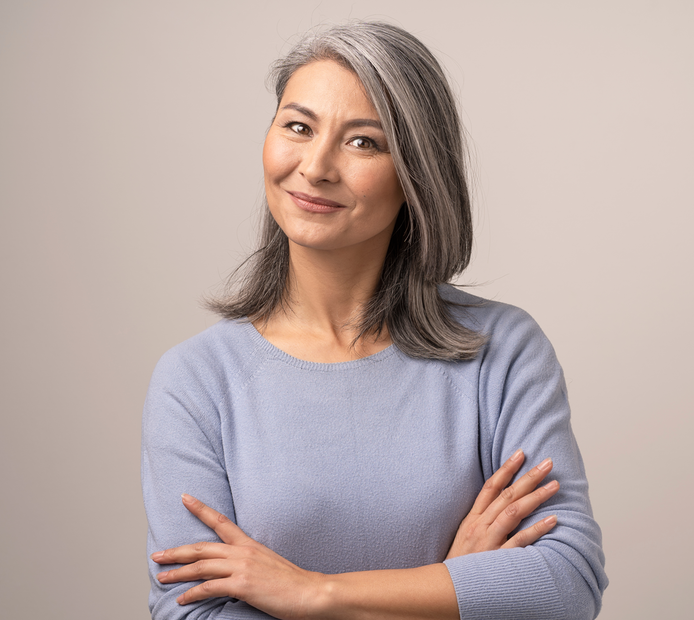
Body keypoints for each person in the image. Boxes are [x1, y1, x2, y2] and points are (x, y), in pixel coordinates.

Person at [141, 21, 607, 620]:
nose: (315, 167)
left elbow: (567, 586)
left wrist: (312, 593)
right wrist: (452, 586)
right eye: (298, 127)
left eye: (363, 142)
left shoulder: (503, 352)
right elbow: (191, 613)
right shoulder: (196, 381)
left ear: (416, 173)